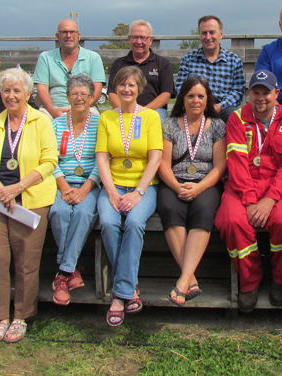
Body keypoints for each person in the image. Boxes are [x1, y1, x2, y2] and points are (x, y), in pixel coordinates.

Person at [0, 68, 58, 343]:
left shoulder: (41, 121)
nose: (11, 95)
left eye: (17, 90)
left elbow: (49, 161)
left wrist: (18, 188)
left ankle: (21, 316)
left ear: (29, 94)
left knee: (26, 262)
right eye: (6, 90)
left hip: (30, 201)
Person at [214, 70, 282, 313]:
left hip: (278, 188)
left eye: (266, 92)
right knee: (231, 221)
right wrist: (251, 200)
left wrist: (270, 199)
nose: (261, 97)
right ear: (248, 94)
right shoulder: (237, 119)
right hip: (243, 186)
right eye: (256, 92)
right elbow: (237, 162)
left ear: (277, 94)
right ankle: (249, 282)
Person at [96, 66, 162, 326]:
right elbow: (102, 157)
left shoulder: (151, 117)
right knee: (109, 223)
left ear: (140, 88)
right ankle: (129, 288)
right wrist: (111, 192)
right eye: (121, 84)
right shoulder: (106, 118)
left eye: (131, 85)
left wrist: (138, 192)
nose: (126, 89)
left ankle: (118, 295)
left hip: (144, 186)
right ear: (115, 87)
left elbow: (155, 157)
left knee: (134, 222)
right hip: (113, 185)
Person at [157, 76, 226, 306]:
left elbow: (220, 166)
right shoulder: (169, 124)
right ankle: (191, 279)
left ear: (207, 99)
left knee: (204, 211)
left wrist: (199, 188)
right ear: (182, 99)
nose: (195, 100)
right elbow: (163, 164)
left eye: (200, 96)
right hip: (174, 182)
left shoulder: (217, 126)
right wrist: (177, 187)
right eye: (190, 96)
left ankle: (183, 280)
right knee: (168, 209)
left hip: (206, 183)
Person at [48, 74, 101, 305]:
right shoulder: (57, 124)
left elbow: (104, 160)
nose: (79, 98)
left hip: (90, 184)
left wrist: (86, 188)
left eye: (84, 94)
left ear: (91, 98)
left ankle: (63, 273)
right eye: (74, 94)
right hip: (63, 183)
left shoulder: (101, 123)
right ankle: (70, 270)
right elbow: (50, 159)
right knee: (58, 213)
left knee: (82, 213)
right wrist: (63, 186)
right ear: (67, 97)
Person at [175, 15, 245, 124]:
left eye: (212, 32)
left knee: (235, 115)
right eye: (204, 33)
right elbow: (180, 88)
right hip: (194, 106)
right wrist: (195, 103)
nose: (208, 37)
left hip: (222, 108)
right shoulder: (188, 59)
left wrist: (219, 106)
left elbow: (237, 92)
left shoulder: (233, 60)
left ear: (221, 34)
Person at [33, 19, 105, 118]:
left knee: (95, 118)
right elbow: (42, 89)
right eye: (64, 32)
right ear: (57, 36)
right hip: (53, 108)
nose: (68, 36)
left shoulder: (93, 57)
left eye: (72, 32)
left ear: (78, 36)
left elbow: (97, 89)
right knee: (38, 119)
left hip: (86, 107)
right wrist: (53, 110)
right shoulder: (45, 58)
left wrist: (81, 109)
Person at [107, 20, 174, 123]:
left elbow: (166, 95)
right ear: (129, 39)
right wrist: (125, 111)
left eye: (143, 38)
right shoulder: (119, 64)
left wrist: (143, 112)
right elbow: (112, 94)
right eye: (135, 37)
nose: (138, 42)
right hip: (123, 110)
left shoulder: (162, 63)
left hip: (153, 110)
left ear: (150, 40)